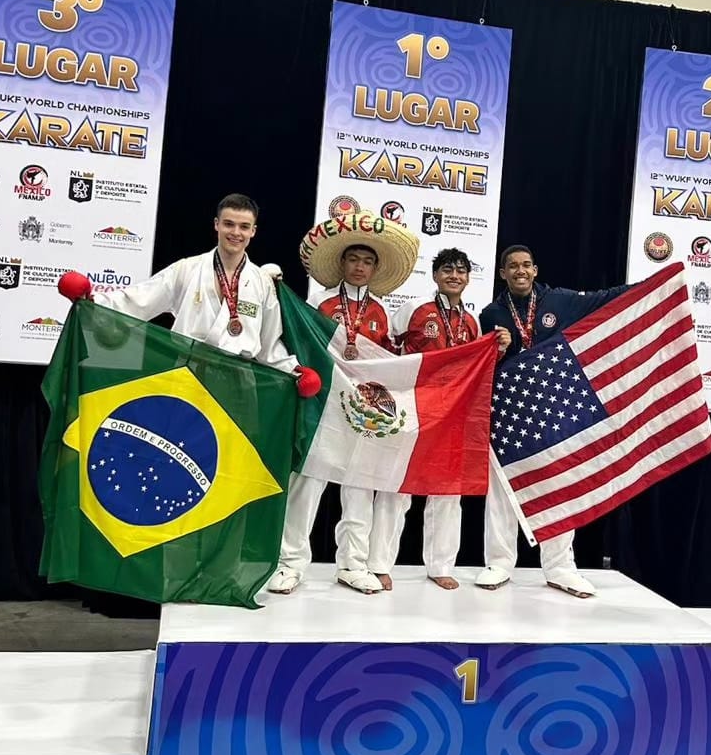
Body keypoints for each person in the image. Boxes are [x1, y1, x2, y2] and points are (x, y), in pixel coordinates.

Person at [267, 210, 420, 596]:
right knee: (308, 483)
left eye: (367, 262)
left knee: (359, 488)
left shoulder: (382, 311)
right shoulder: (317, 303)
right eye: (353, 259)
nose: (360, 267)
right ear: (342, 263)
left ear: (374, 269)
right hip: (322, 407)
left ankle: (352, 564)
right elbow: (300, 342)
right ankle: (291, 563)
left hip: (363, 411)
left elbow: (387, 363)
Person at [477, 244, 628, 598]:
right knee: (502, 490)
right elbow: (482, 366)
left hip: (554, 408)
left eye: (526, 265)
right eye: (512, 266)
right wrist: (498, 349)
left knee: (559, 483)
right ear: (502, 273)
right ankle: (499, 562)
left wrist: (653, 285)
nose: (520, 271)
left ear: (535, 269)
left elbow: (607, 298)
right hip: (509, 411)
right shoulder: (490, 313)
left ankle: (560, 566)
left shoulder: (560, 301)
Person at [58, 193, 317, 392]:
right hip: (188, 374)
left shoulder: (262, 282)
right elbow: (139, 299)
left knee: (233, 459)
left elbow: (269, 343)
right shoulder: (187, 269)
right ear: (216, 225)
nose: (235, 233)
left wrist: (294, 371)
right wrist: (92, 301)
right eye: (229, 224)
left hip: (239, 383)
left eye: (243, 226)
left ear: (253, 231)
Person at [391, 248, 511, 589]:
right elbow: (388, 352)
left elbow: (476, 367)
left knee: (446, 491)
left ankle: (440, 564)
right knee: (396, 487)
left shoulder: (471, 322)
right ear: (435, 275)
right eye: (447, 269)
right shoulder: (414, 309)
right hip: (413, 408)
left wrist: (497, 348)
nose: (454, 276)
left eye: (460, 270)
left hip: (451, 414)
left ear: (468, 278)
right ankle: (379, 562)